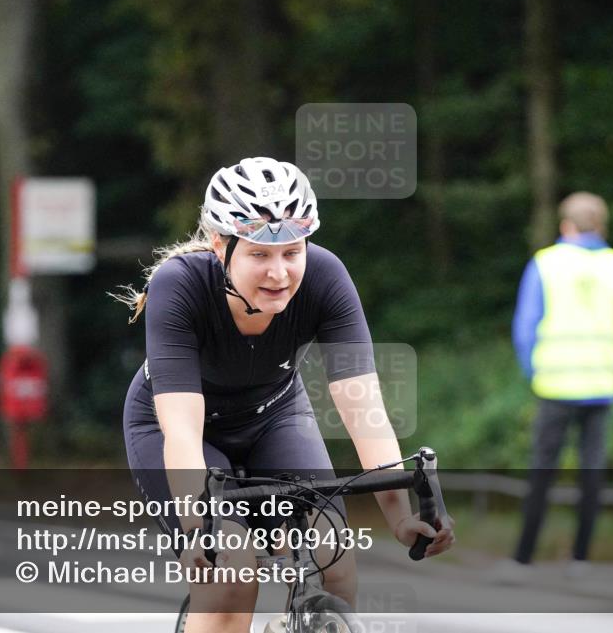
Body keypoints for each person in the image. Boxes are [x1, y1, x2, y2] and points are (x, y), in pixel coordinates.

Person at [116, 157, 454, 633]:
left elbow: (363, 408)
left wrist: (400, 518)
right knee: (232, 574)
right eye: (259, 254)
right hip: (178, 429)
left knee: (333, 562)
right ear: (220, 245)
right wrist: (196, 529)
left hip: (273, 415)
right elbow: (183, 428)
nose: (279, 273)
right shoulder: (180, 285)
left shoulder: (326, 276)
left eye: (291, 252)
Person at [509, 192, 613, 574]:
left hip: (553, 385)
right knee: (592, 473)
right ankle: (580, 557)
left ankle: (523, 557)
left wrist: (534, 372)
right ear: (600, 226)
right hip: (603, 384)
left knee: (542, 472)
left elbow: (525, 328)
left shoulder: (545, 262)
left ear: (566, 225)